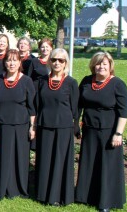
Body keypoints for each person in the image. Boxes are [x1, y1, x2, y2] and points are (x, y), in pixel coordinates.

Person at [76, 52, 127, 212]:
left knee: (107, 166)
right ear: (93, 65)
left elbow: (123, 112)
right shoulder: (86, 81)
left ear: (110, 66)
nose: (101, 67)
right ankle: (85, 196)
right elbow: (78, 105)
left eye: (105, 64)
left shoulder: (117, 84)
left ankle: (106, 201)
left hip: (109, 131)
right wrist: (76, 125)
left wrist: (118, 133)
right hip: (89, 129)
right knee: (89, 164)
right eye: (98, 64)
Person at [0, 49, 36, 200]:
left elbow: (32, 107)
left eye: (15, 60)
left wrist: (33, 127)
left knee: (18, 159)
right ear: (4, 62)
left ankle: (16, 189)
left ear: (20, 63)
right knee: (1, 158)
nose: (11, 63)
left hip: (20, 126)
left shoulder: (27, 81)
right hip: (1, 126)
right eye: (8, 60)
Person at [35, 48, 78, 206]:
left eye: (61, 60)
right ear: (49, 61)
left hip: (63, 127)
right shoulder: (42, 81)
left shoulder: (71, 83)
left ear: (66, 63)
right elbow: (37, 104)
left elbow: (75, 109)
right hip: (45, 125)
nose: (57, 63)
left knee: (60, 161)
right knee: (45, 159)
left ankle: (57, 196)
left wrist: (75, 127)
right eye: (54, 60)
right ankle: (42, 193)